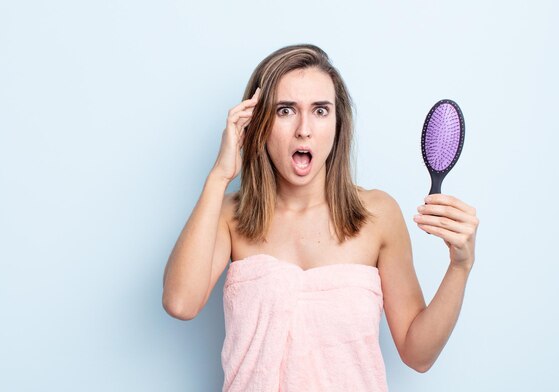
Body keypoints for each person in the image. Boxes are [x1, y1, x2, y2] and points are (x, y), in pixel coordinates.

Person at [162, 43, 479, 391]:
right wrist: (219, 175)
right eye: (285, 111)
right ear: (257, 124)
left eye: (320, 111)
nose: (304, 129)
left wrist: (460, 267)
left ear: (338, 123)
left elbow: (418, 355)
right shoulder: (229, 216)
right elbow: (180, 303)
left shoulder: (378, 215)